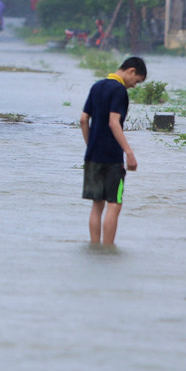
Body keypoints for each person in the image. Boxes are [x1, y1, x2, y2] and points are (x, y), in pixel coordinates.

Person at [80, 56, 147, 246]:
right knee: (114, 204)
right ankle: (108, 249)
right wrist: (129, 152)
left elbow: (83, 120)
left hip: (93, 156)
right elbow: (113, 122)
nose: (134, 86)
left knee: (96, 205)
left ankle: (95, 247)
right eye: (137, 81)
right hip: (112, 158)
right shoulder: (119, 90)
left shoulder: (97, 86)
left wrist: (90, 145)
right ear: (131, 71)